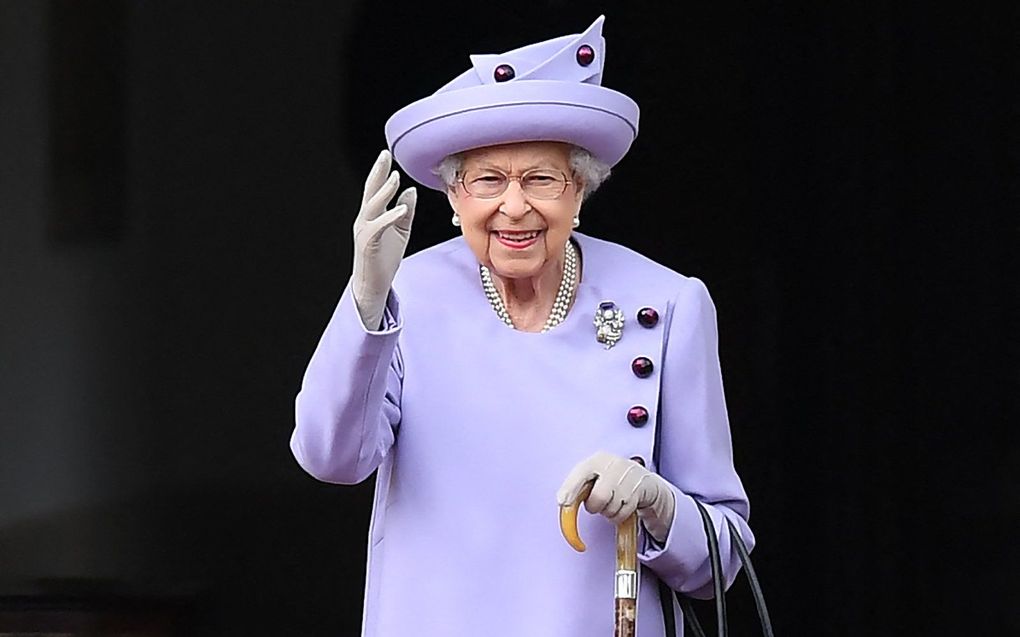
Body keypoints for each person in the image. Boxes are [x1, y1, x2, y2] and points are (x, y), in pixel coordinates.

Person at [291, 16, 753, 636]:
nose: (514, 206)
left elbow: (721, 559)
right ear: (453, 199)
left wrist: (659, 503)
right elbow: (330, 457)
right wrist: (366, 300)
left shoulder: (668, 303)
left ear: (581, 190)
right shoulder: (408, 297)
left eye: (542, 178)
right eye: (487, 180)